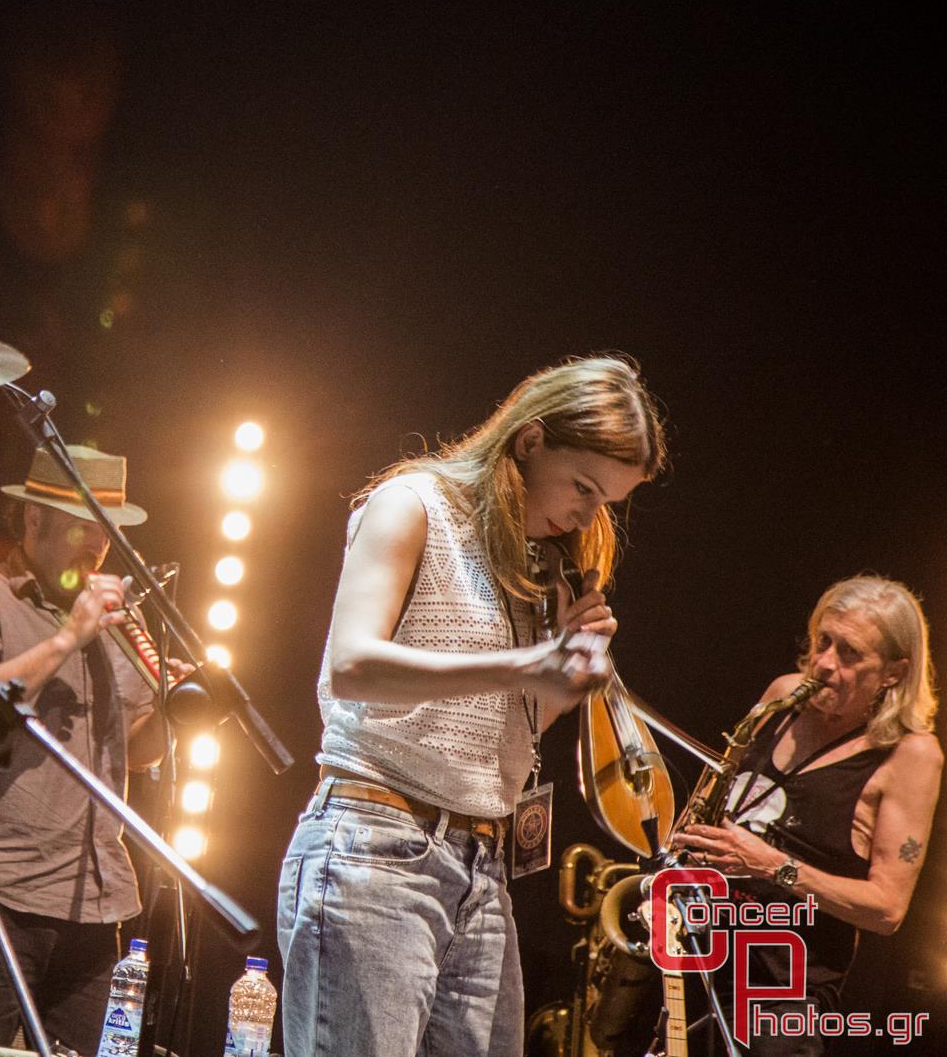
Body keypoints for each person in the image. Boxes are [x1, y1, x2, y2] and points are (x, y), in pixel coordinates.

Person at [276, 355, 668, 1056]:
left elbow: (506, 733)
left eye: (608, 499)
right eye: (583, 485)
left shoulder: (538, 564)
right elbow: (353, 665)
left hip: (480, 866)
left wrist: (561, 679)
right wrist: (521, 663)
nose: (589, 512)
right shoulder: (412, 504)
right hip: (377, 846)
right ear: (528, 441)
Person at [0, 444, 174, 1053]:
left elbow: (138, 753)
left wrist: (181, 708)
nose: (98, 545)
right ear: (33, 519)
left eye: (107, 531)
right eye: (83, 526)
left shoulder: (117, 622)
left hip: (94, 899)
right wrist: (69, 636)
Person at [672, 575, 942, 1055]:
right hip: (693, 953)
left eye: (850, 654)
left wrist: (772, 865)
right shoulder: (783, 695)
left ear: (894, 673)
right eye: (823, 642)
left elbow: (887, 909)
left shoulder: (911, 755)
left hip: (779, 995)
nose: (823, 664)